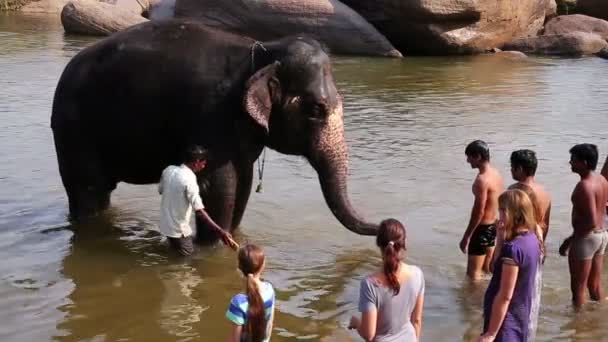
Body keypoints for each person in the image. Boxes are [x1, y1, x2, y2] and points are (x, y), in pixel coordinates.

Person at [479, 189, 543, 342]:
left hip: (505, 323)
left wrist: (491, 333)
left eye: (501, 211)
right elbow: (494, 268)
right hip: (520, 316)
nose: (498, 216)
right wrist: (500, 238)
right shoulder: (532, 239)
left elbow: (505, 296)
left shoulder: (513, 249)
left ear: (511, 213)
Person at [349, 219, 424, 341]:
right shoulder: (417, 274)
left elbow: (369, 334)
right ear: (404, 243)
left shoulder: (370, 284)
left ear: (379, 245)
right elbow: (416, 321)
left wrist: (356, 323)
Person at [158, 145, 237, 256]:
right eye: (204, 162)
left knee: (175, 253)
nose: (205, 165)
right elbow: (199, 211)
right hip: (179, 231)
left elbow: (161, 190)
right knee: (187, 263)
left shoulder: (168, 170)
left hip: (165, 227)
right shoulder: (189, 178)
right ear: (196, 162)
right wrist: (221, 231)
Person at [559, 144, 608, 309]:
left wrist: (570, 240)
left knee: (578, 288)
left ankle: (578, 327)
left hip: (586, 238)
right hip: (602, 235)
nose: (570, 163)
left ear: (584, 162)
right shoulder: (601, 180)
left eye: (573, 160)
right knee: (594, 285)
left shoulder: (584, 186)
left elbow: (590, 221)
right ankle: (599, 317)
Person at [461, 140, 505, 280]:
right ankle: (487, 299)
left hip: (481, 229)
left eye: (470, 157)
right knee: (487, 271)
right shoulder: (496, 174)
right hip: (493, 227)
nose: (468, 160)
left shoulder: (482, 180)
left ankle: (474, 301)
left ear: (478, 156)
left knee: (473, 276)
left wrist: (467, 236)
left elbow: (479, 211)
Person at [226, 244, 275, 342]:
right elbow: (270, 324)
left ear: (239, 267)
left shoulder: (238, 302)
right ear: (262, 267)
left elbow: (234, 339)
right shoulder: (269, 290)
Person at [508, 149, 551, 240]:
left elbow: (509, 223)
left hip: (519, 243)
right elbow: (545, 224)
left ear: (519, 169)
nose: (511, 170)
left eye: (512, 166)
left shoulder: (515, 190)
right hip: (537, 244)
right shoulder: (544, 192)